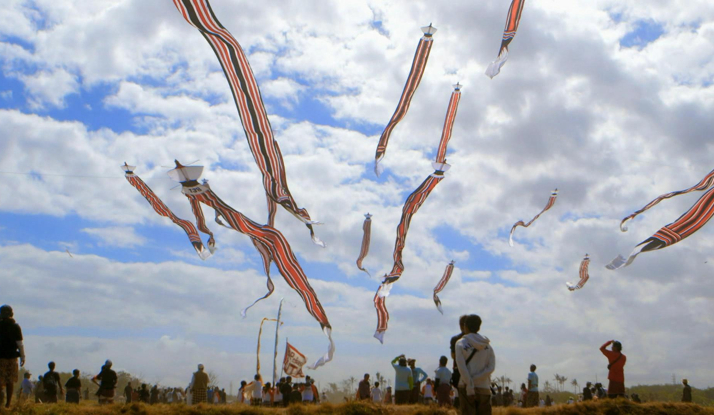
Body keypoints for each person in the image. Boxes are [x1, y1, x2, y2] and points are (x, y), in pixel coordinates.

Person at [454, 314, 495, 415]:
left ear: (465, 326)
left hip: (465, 386)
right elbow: (491, 367)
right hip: (484, 387)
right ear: (479, 327)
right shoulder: (487, 345)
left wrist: (470, 382)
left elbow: (461, 367)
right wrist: (478, 378)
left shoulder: (460, 343)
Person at [0, 305, 25, 409]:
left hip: (0, 358)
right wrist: (23, 356)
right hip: (12, 357)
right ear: (11, 314)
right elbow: (20, 344)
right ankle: (8, 404)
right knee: (10, 381)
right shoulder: (15, 326)